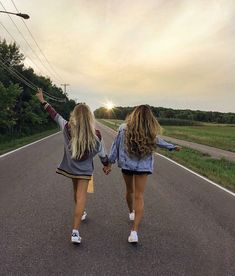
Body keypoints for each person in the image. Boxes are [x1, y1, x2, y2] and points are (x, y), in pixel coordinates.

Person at [36, 88, 109, 244]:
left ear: (74, 115)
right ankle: (75, 232)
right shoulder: (96, 134)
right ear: (90, 116)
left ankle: (80, 213)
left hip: (71, 169)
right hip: (85, 171)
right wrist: (106, 164)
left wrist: (43, 101)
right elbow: (102, 153)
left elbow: (54, 115)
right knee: (81, 195)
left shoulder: (67, 126)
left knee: (76, 192)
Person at [106, 105, 181, 243]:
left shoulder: (123, 128)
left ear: (134, 115)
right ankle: (134, 232)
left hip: (127, 165)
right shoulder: (150, 131)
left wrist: (109, 163)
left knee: (129, 191)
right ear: (149, 118)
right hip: (143, 167)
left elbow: (115, 146)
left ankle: (131, 213)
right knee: (139, 196)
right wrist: (172, 147)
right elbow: (159, 142)